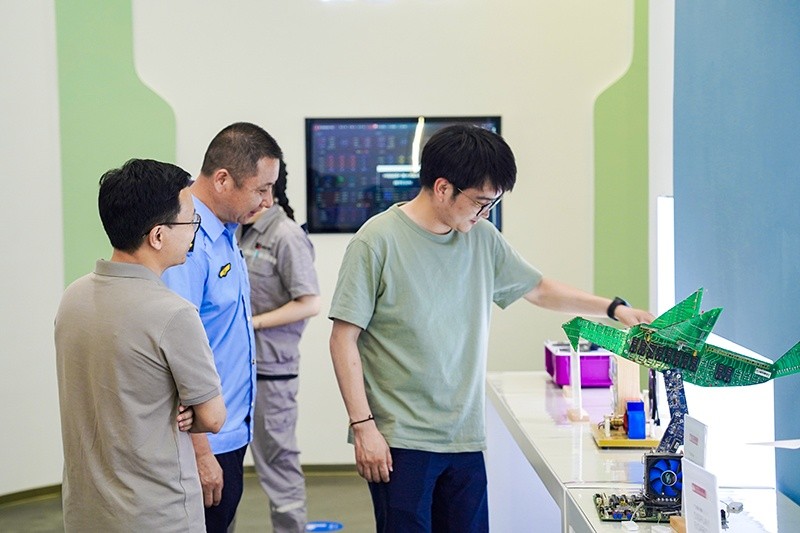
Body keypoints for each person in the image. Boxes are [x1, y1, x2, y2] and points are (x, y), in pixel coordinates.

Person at [328, 124, 655, 532]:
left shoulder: (481, 237)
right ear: (443, 188)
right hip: (401, 440)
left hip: (464, 437)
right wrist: (363, 427)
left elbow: (538, 289)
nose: (485, 214)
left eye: (493, 204)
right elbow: (343, 339)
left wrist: (614, 308)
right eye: (481, 203)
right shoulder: (376, 241)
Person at [55, 159, 227, 532]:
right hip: (156, 515)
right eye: (190, 221)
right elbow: (213, 417)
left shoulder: (73, 297)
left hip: (86, 512)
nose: (195, 231)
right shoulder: (174, 314)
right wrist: (193, 411)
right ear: (158, 236)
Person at [162, 122, 283, 532]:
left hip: (230, 434)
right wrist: (200, 453)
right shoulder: (187, 242)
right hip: (205, 442)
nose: (268, 201)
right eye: (261, 189)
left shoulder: (227, 231)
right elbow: (176, 355)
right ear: (222, 179)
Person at [237, 160, 321, 532]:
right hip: (234, 369)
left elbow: (310, 303)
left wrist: (250, 324)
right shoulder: (237, 230)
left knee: (278, 465)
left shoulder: (285, 234)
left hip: (272, 370)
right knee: (220, 467)